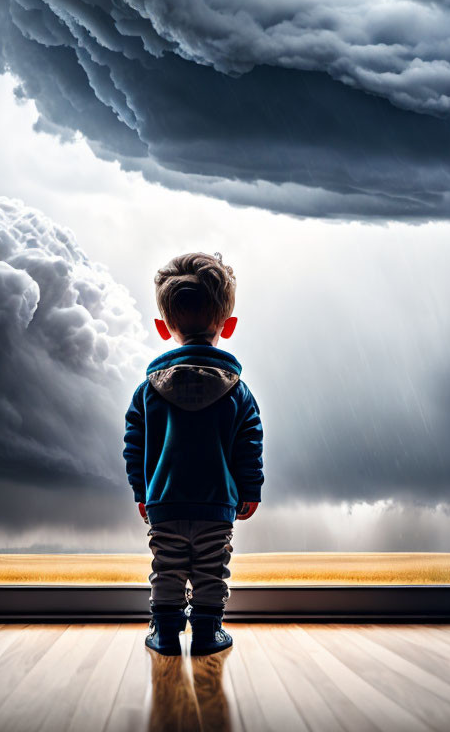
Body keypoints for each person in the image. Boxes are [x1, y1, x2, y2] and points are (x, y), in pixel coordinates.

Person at [123, 251, 264, 656]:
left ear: (163, 327)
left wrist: (141, 491)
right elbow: (249, 442)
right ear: (229, 325)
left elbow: (134, 444)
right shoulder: (238, 391)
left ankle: (165, 634)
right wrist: (250, 489)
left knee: (165, 569)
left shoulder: (148, 390)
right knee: (210, 570)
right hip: (217, 502)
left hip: (163, 501)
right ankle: (206, 633)